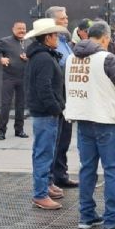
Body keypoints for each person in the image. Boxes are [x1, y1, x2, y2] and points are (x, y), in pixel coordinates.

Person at [64, 21, 115, 229]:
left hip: (83, 118)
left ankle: (86, 216)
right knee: (113, 170)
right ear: (105, 38)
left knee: (87, 169)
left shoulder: (70, 58)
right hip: (106, 119)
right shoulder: (107, 58)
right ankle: (112, 220)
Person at [24, 17, 70, 210]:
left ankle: (46, 186)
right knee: (44, 152)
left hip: (45, 111)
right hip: (46, 113)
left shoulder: (43, 55)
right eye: (55, 35)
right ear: (47, 37)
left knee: (44, 151)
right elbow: (44, 88)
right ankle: (40, 193)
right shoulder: (44, 58)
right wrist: (55, 108)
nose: (58, 38)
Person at [46, 6, 79, 189]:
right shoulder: (49, 46)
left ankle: (61, 174)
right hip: (57, 95)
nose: (66, 20)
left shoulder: (64, 41)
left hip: (68, 94)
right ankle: (50, 178)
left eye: (66, 17)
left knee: (65, 137)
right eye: (62, 19)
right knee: (54, 139)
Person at [0, 21, 30, 140]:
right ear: (13, 29)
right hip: (9, 78)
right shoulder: (5, 41)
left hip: (23, 77)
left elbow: (32, 56)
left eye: (24, 28)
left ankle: (19, 130)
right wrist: (0, 58)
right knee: (6, 104)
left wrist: (28, 58)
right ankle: (2, 131)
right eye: (19, 28)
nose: (22, 31)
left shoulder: (29, 42)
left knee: (21, 105)